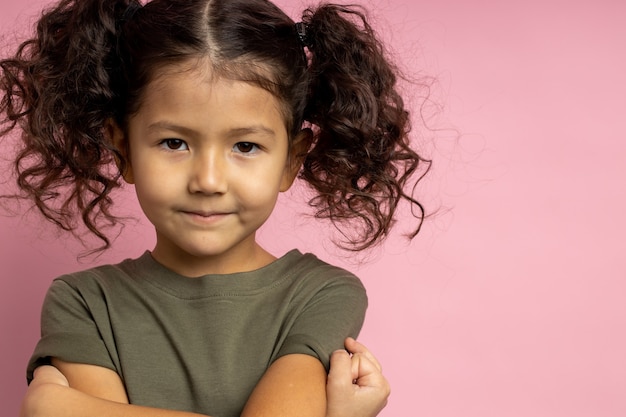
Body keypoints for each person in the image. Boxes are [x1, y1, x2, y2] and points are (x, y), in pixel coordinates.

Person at [0, 0, 428, 416]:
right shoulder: (84, 303)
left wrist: (58, 408)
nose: (207, 181)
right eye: (174, 142)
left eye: (245, 146)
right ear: (123, 149)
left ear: (292, 160)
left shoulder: (323, 295)